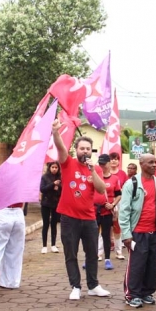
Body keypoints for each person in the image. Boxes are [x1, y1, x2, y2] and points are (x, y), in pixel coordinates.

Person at [52, 120, 110, 300]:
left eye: (87, 149)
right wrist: (55, 132)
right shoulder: (67, 163)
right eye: (81, 148)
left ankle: (93, 285)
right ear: (76, 150)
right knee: (71, 253)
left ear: (91, 151)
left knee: (92, 253)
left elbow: (101, 189)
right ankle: (75, 286)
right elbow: (61, 148)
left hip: (89, 218)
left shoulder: (96, 169)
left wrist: (92, 171)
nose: (84, 151)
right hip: (69, 218)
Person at [119, 154, 156, 308]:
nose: (155, 165)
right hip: (137, 232)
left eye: (155, 162)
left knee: (151, 264)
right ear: (141, 164)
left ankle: (146, 292)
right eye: (151, 162)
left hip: (153, 232)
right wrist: (126, 234)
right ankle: (132, 294)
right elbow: (124, 210)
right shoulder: (131, 184)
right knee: (136, 264)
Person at [0, 201, 26, 295]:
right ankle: (11, 281)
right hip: (18, 213)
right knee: (15, 250)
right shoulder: (21, 186)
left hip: (1, 212)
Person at [95, 154, 122, 270]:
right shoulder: (94, 176)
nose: (102, 166)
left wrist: (113, 204)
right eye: (100, 163)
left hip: (107, 211)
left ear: (109, 164)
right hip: (94, 211)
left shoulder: (115, 179)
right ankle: (90, 258)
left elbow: (119, 195)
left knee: (106, 235)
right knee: (91, 236)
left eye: (104, 164)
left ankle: (107, 259)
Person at [40, 161, 62, 254]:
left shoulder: (60, 178)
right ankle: (44, 245)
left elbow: (63, 190)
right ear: (49, 168)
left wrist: (58, 187)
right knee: (46, 224)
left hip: (56, 203)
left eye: (56, 167)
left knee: (54, 224)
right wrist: (53, 184)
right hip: (45, 203)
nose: (54, 169)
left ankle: (53, 244)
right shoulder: (44, 177)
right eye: (52, 167)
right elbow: (42, 189)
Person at [109, 153, 128, 260]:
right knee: (105, 226)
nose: (114, 161)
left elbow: (125, 189)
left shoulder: (122, 174)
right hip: (106, 202)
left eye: (116, 159)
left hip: (119, 202)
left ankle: (119, 250)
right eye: (112, 159)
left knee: (117, 225)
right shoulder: (104, 173)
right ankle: (102, 250)